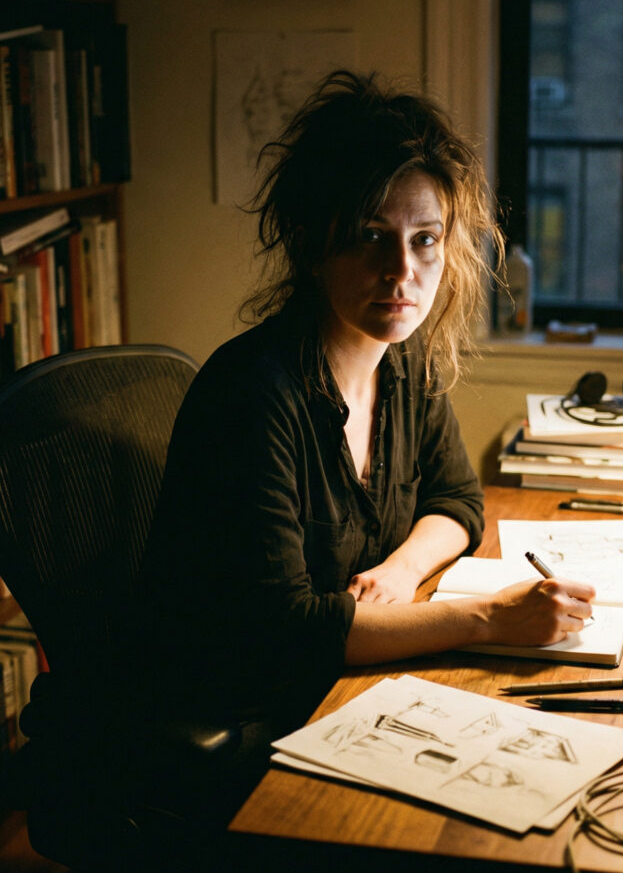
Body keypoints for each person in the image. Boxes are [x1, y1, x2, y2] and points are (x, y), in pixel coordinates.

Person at [137, 70, 594, 806]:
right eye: (369, 238)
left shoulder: (404, 359)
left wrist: (404, 572)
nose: (401, 274)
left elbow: (456, 498)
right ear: (314, 243)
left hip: (345, 683)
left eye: (425, 241)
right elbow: (283, 630)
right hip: (249, 712)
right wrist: (488, 617)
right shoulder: (254, 393)